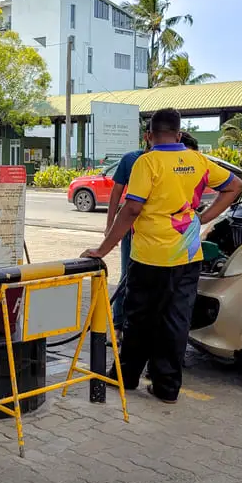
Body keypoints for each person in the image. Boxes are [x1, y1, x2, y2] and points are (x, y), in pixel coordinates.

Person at [82, 109, 242, 404]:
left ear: (149, 136)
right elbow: (235, 185)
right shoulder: (198, 160)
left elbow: (131, 209)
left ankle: (127, 377)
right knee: (176, 320)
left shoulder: (148, 162)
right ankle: (167, 387)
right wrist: (204, 216)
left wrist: (102, 249)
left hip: (150, 257)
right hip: (187, 257)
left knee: (139, 318)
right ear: (179, 134)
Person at [104, 137, 151, 342]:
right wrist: (110, 226)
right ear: (147, 136)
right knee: (127, 275)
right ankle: (118, 325)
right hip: (132, 229)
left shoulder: (176, 162)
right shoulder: (131, 159)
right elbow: (117, 193)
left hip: (161, 232)